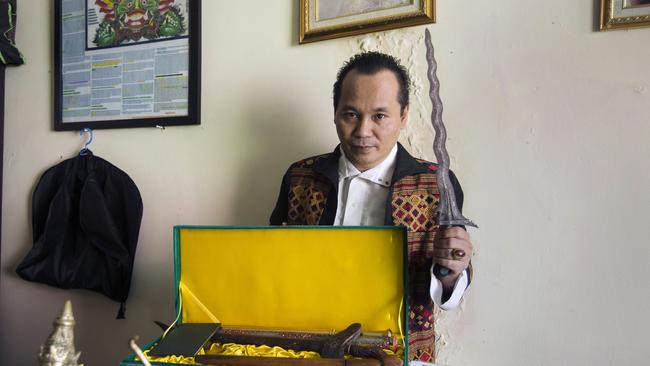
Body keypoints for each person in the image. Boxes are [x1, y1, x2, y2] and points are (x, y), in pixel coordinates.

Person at [270, 52, 473, 363]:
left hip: (401, 351)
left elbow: (448, 288)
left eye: (379, 116)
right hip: (310, 348)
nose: (363, 131)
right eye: (351, 114)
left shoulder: (436, 185)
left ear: (404, 115)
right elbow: (273, 263)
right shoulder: (300, 177)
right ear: (335, 112)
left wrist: (452, 270)